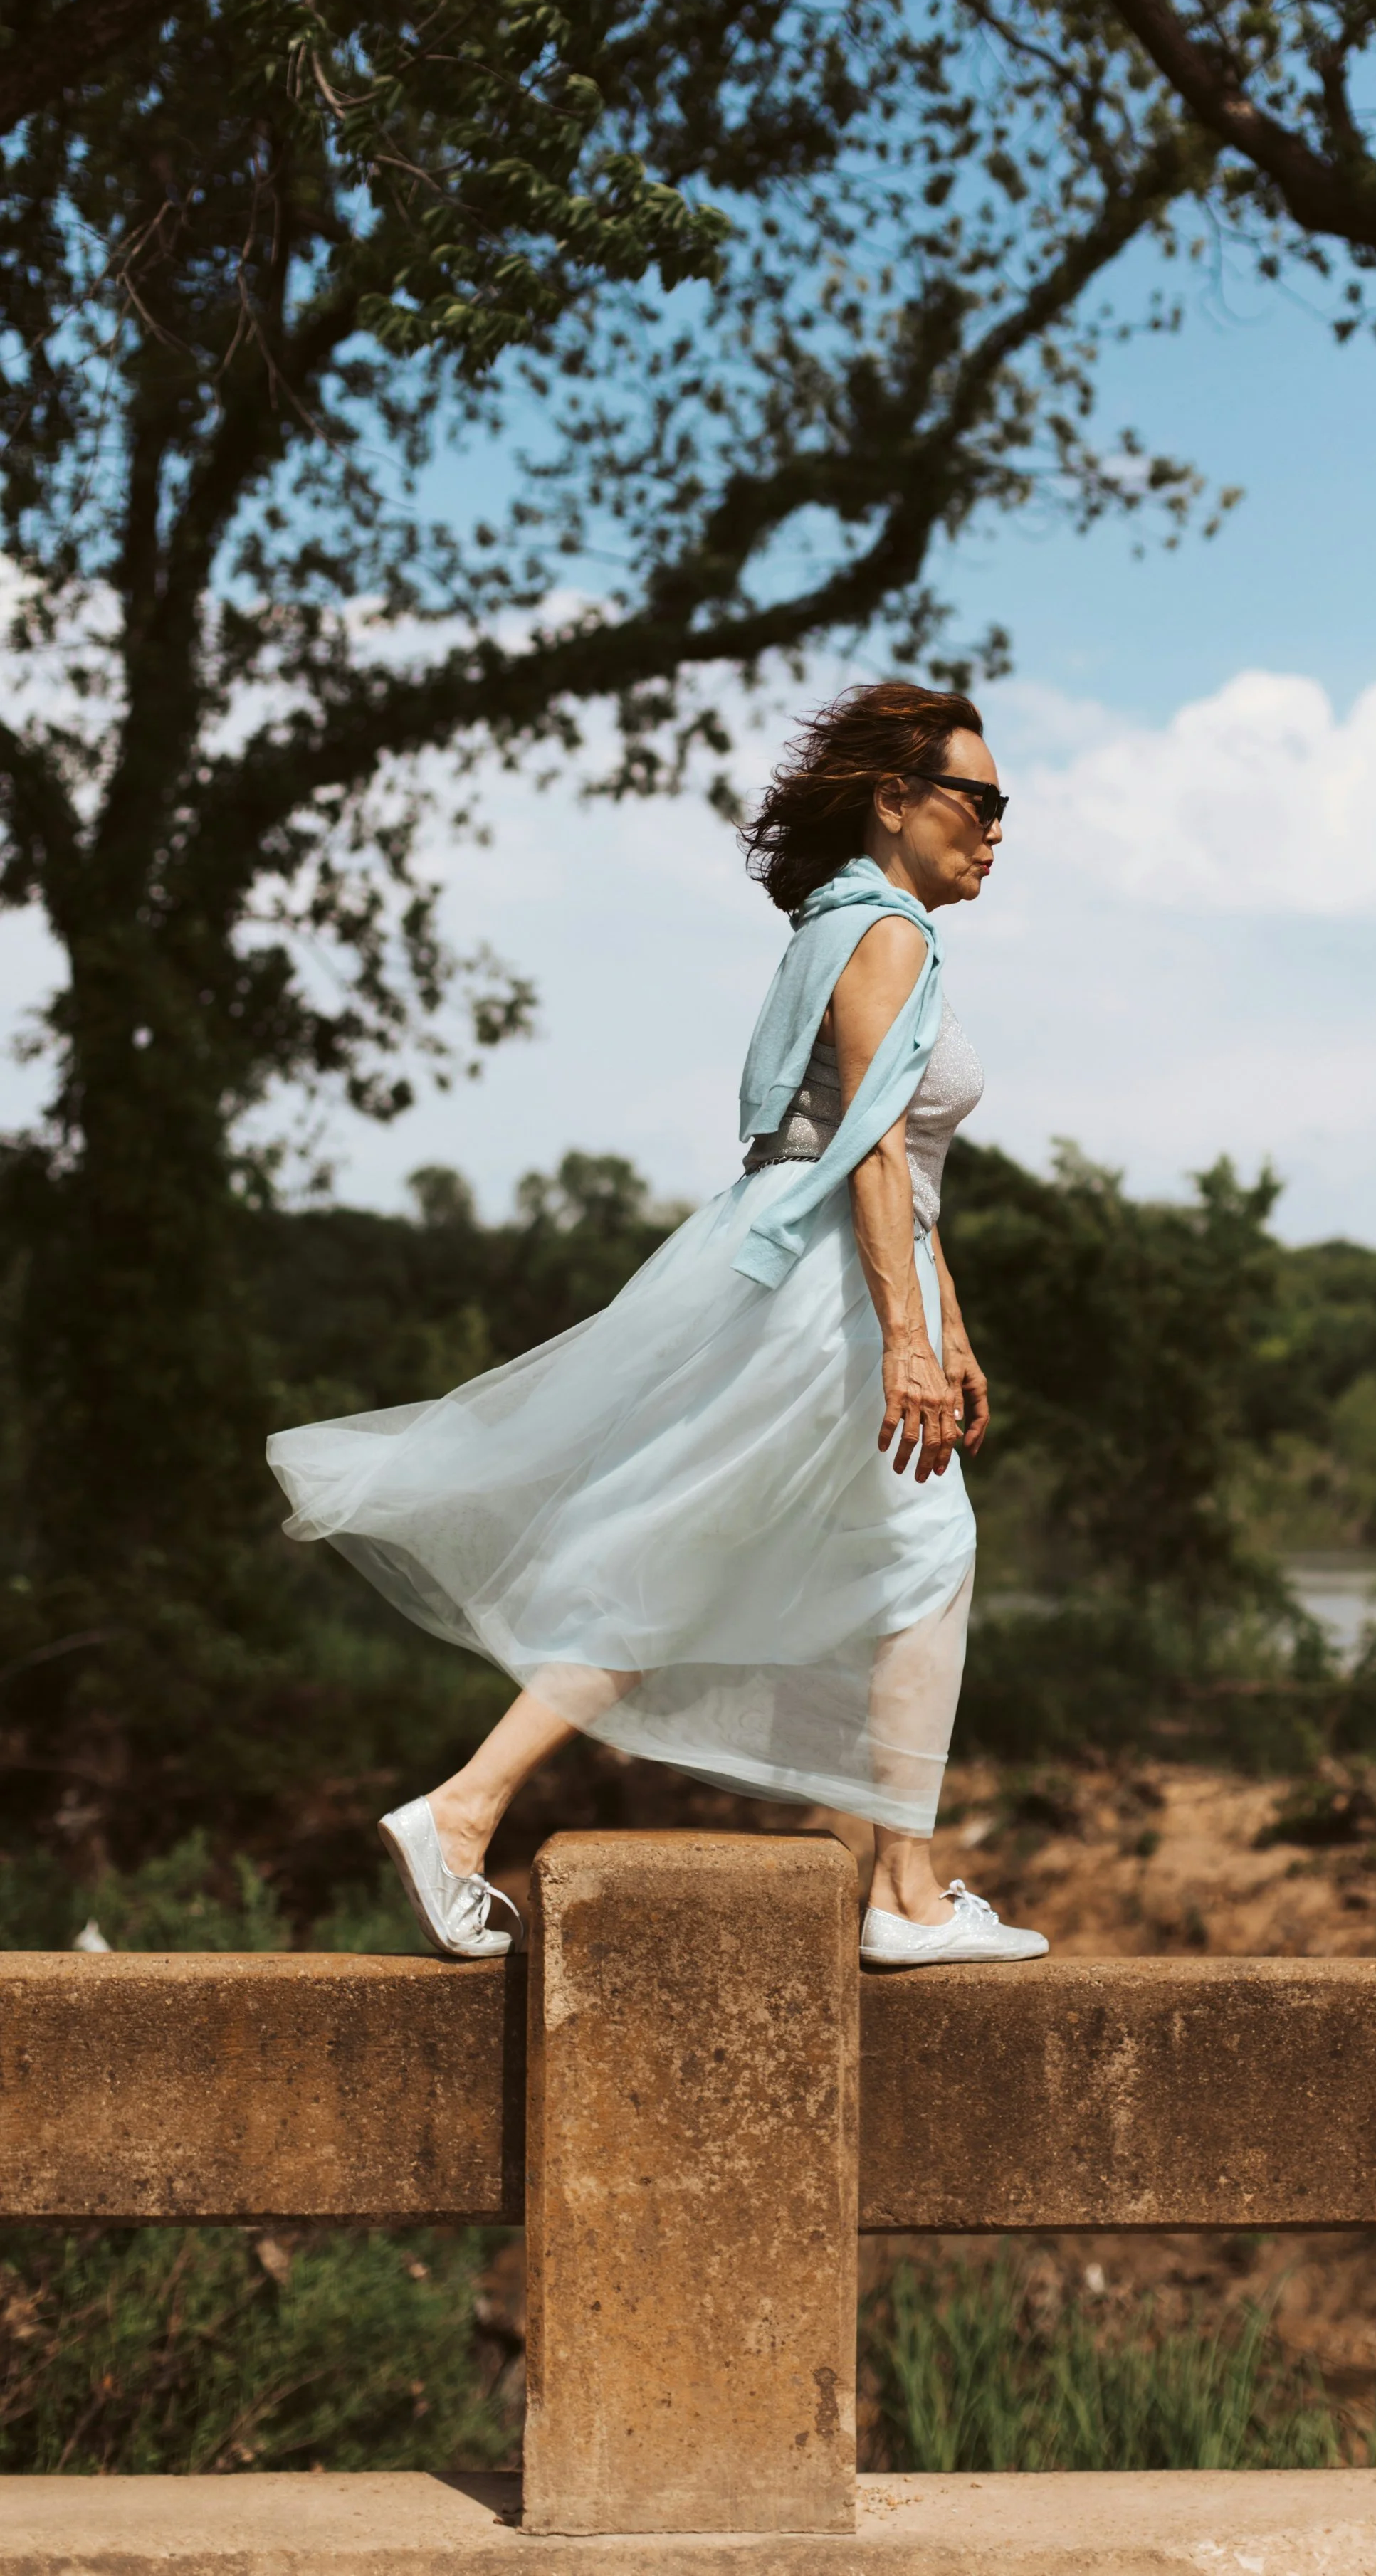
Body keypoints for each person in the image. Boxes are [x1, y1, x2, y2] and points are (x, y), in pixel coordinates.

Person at [268, 680, 1046, 1970]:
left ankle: (478, 1811)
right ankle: (891, 1893)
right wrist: (906, 1340)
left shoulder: (841, 922)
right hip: (829, 1298)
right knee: (897, 1551)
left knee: (741, 1553)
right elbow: (865, 1155)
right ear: (894, 800)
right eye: (983, 799)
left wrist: (945, 1323)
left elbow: (896, 1163)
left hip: (829, 1276)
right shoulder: (888, 934)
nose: (1000, 828)